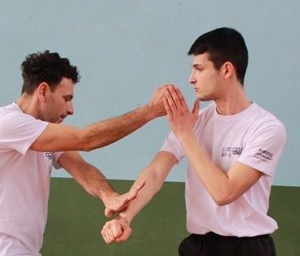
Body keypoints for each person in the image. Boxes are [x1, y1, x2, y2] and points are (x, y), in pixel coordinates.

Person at [100, 27, 287, 256]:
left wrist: (185, 134)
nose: (191, 79)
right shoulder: (194, 122)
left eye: (199, 69)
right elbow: (156, 172)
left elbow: (224, 193)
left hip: (246, 248)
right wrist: (125, 218)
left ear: (226, 69)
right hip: (198, 246)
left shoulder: (266, 128)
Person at [0, 50, 171, 256]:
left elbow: (81, 168)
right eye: (66, 98)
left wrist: (108, 196)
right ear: (43, 91)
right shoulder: (4, 123)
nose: (71, 109)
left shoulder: (43, 131)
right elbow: (85, 139)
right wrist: (149, 111)